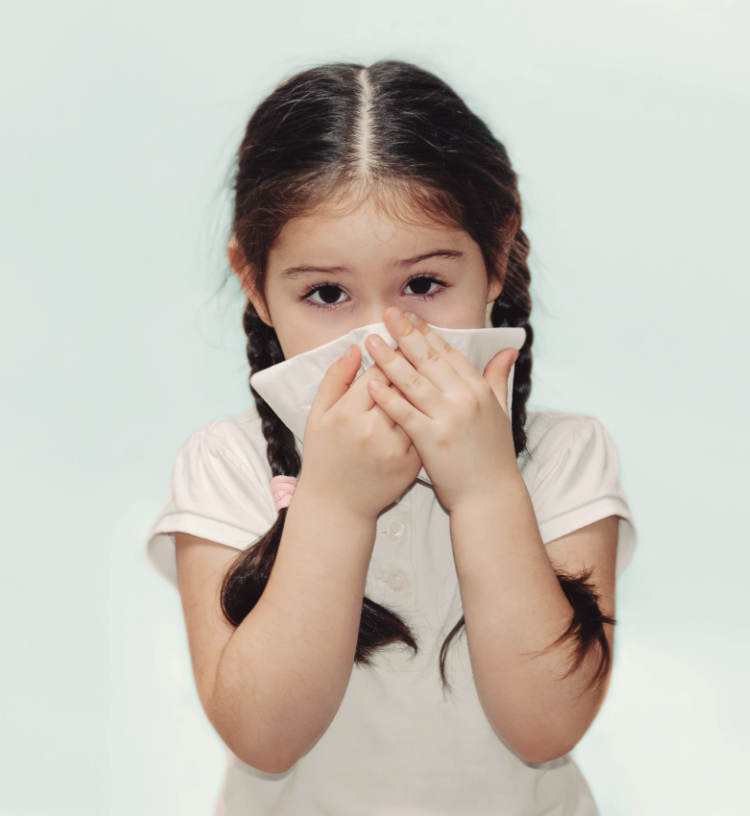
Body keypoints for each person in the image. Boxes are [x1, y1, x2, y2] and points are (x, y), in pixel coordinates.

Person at [146, 59, 638, 815]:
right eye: (328, 294)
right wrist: (335, 506)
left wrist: (482, 489)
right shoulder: (225, 468)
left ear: (497, 256)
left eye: (423, 285)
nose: (382, 338)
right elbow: (263, 738)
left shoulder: (565, 458)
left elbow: (546, 728)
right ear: (255, 285)